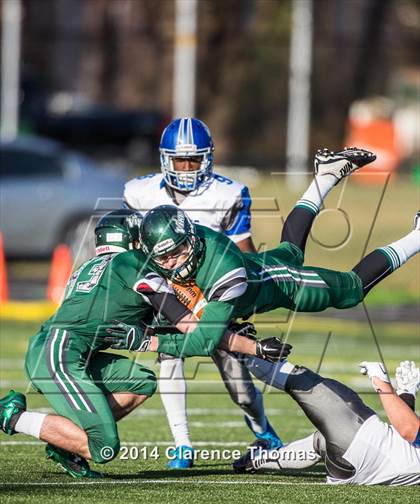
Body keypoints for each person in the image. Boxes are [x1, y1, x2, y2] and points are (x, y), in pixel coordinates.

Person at [0, 210, 289, 477]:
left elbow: (156, 321)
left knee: (140, 382)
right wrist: (253, 346)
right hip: (59, 354)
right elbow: (190, 328)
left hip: (71, 351)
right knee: (103, 447)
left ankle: (66, 443)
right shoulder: (133, 265)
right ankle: (13, 417)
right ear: (135, 240)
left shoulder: (92, 267)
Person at [111, 147, 419, 360]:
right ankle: (325, 176)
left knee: (351, 290)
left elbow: (205, 341)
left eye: (177, 252)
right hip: (250, 276)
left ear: (190, 240)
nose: (171, 263)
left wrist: (147, 341)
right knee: (290, 250)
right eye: (163, 257)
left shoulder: (222, 269)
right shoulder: (171, 248)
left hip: (278, 284)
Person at [123, 117, 281, 468]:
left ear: (207, 158)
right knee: (169, 356)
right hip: (167, 290)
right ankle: (182, 445)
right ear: (164, 159)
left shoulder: (228, 194)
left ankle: (264, 431)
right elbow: (133, 246)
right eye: (180, 160)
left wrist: (243, 298)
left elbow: (246, 253)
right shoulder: (138, 192)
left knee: (237, 382)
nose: (187, 167)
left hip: (212, 292)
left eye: (194, 160)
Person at [231, 356, 420, 485]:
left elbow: (408, 429)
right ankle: (258, 459)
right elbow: (410, 445)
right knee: (323, 441)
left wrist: (381, 382)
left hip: (367, 449)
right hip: (353, 473)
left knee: (309, 384)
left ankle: (239, 346)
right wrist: (407, 394)